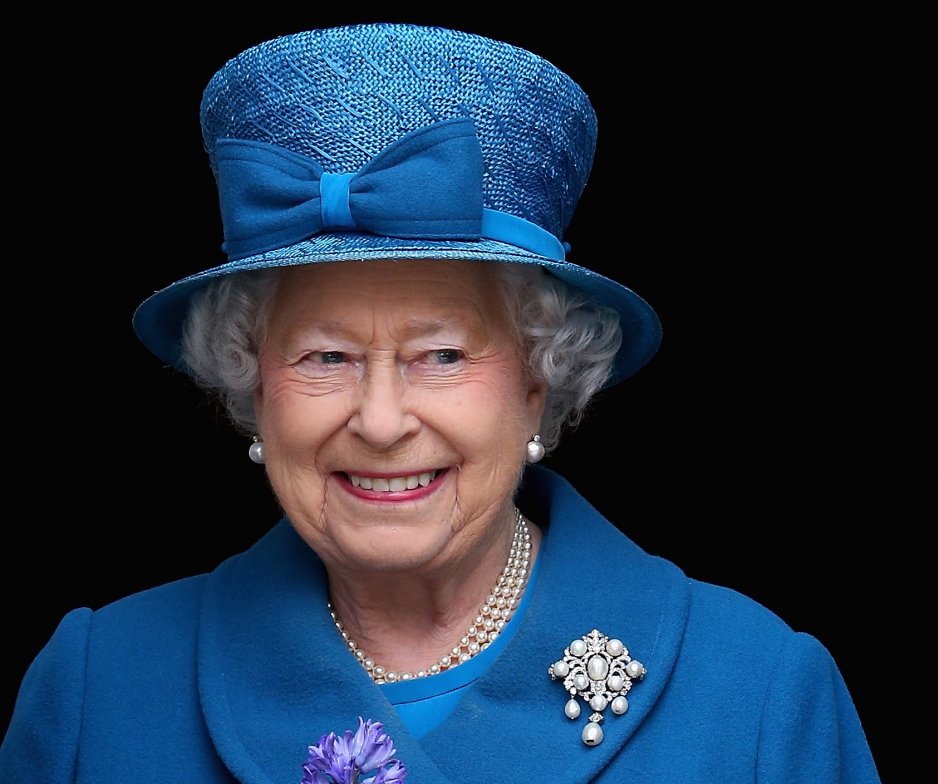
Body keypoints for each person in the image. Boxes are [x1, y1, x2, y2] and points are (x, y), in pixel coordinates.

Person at [0, 22, 880, 783]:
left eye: (443, 355)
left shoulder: (760, 694)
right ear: (252, 384)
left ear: (539, 381)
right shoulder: (96, 690)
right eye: (326, 355)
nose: (381, 422)